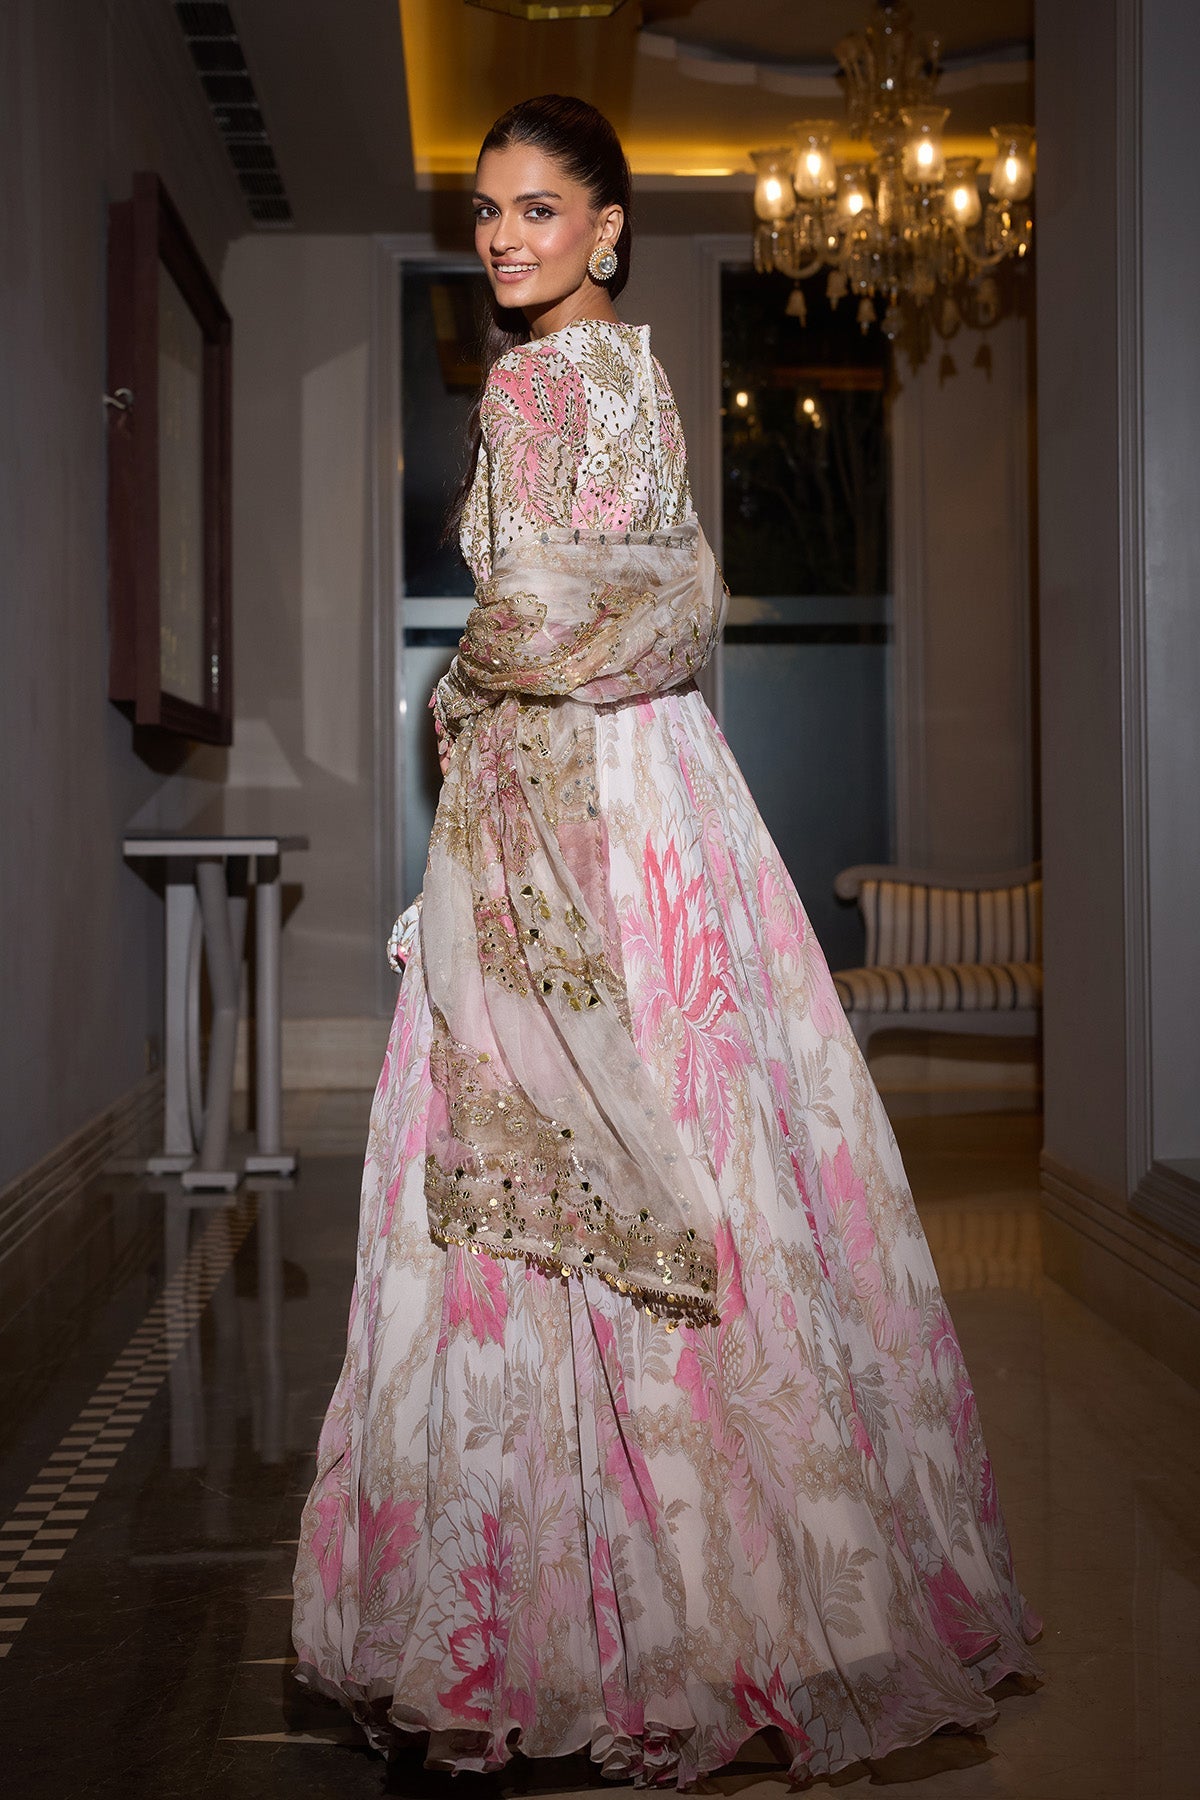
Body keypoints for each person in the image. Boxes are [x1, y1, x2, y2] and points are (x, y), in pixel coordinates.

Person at [292, 92, 1040, 1790]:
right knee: (727, 1150)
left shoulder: (535, 384)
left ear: (608, 230)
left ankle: (560, 1629)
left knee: (541, 1163)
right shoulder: (638, 378)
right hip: (673, 801)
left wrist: (462, 692)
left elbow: (549, 613)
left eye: (538, 210)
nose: (503, 237)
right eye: (488, 210)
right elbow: (675, 602)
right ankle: (773, 1595)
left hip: (568, 805)